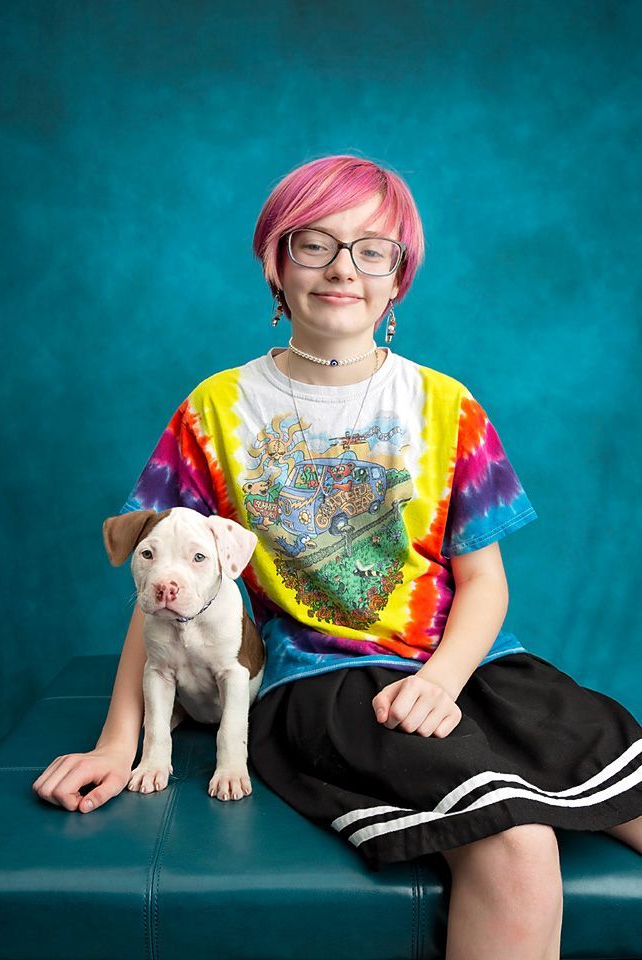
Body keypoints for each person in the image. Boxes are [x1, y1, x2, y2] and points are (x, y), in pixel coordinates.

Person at [33, 154, 642, 960]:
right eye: (314, 243)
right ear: (274, 264)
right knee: (516, 843)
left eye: (371, 249)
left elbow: (484, 583)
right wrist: (120, 742)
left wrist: (440, 680)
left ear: (399, 279)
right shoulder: (215, 411)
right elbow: (162, 590)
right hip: (329, 680)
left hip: (469, 665)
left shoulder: (447, 406)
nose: (343, 268)